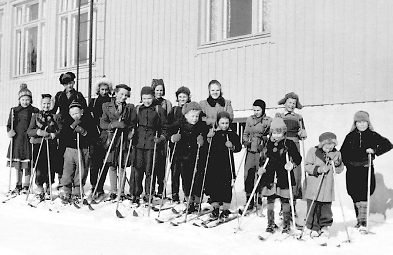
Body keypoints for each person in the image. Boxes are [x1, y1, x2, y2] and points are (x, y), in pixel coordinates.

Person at [340, 111, 392, 229]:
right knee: (353, 192)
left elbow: (388, 144)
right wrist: (347, 163)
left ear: (368, 123)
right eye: (359, 122)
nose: (362, 124)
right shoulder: (350, 136)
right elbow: (343, 152)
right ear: (355, 123)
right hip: (352, 170)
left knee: (364, 193)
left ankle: (363, 222)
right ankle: (359, 220)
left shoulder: (372, 135)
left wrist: (374, 150)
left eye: (364, 122)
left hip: (365, 168)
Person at [258, 116, 302, 234]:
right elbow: (263, 159)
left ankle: (286, 225)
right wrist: (261, 168)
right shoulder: (268, 144)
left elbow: (298, 158)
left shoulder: (289, 143)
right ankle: (270, 224)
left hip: (283, 176)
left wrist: (291, 164)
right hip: (270, 177)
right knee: (270, 199)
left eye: (279, 132)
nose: (277, 135)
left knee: (285, 200)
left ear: (284, 132)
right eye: (274, 133)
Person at [129, 86, 168, 204]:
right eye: (144, 98)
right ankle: (135, 194)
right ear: (141, 98)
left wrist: (161, 138)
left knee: (150, 170)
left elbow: (165, 127)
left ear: (153, 97)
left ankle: (149, 194)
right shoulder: (137, 109)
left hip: (152, 144)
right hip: (138, 144)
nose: (147, 101)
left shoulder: (158, 109)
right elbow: (131, 123)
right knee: (137, 170)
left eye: (149, 98)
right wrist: (131, 132)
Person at [167, 102, 209, 212]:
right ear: (186, 115)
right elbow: (168, 132)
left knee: (198, 179)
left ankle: (197, 202)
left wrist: (203, 139)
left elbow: (207, 135)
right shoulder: (179, 125)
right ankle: (189, 201)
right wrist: (172, 138)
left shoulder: (202, 126)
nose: (195, 119)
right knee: (186, 179)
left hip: (198, 157)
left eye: (197, 116)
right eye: (192, 116)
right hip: (184, 157)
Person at [303, 132, 344, 238]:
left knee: (325, 208)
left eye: (331, 146)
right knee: (313, 207)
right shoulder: (313, 151)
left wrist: (337, 164)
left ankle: (325, 227)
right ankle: (312, 227)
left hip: (327, 186)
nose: (329, 149)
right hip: (314, 186)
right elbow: (307, 166)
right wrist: (319, 169)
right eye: (326, 146)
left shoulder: (336, 154)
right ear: (321, 144)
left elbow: (339, 170)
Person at [100, 84, 135, 201]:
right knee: (112, 166)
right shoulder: (106, 106)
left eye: (126, 95)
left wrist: (130, 130)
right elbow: (102, 123)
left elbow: (132, 123)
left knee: (122, 166)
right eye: (121, 94)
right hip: (112, 139)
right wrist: (112, 125)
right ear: (115, 93)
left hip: (123, 140)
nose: (123, 97)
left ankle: (121, 191)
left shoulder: (130, 108)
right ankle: (113, 191)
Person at [58, 101, 97, 204]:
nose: (75, 115)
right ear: (70, 114)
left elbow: (93, 136)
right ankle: (66, 191)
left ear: (82, 112)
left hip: (83, 149)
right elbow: (63, 135)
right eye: (73, 114)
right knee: (68, 171)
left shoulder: (88, 121)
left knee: (81, 171)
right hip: (70, 149)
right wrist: (71, 127)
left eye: (77, 113)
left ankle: (77, 192)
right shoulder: (67, 122)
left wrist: (84, 132)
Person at [51, 72, 87, 184]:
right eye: (66, 84)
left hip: (74, 125)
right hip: (62, 126)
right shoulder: (59, 95)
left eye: (71, 83)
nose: (69, 86)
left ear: (74, 82)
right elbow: (54, 110)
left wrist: (79, 123)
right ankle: (62, 179)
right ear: (63, 85)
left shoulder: (78, 95)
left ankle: (75, 179)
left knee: (73, 152)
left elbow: (84, 111)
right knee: (61, 152)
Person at [205, 111, 241, 219]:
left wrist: (232, 146)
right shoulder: (213, 134)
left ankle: (225, 209)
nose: (224, 125)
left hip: (227, 165)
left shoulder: (232, 135)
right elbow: (206, 149)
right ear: (218, 122)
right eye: (222, 123)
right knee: (214, 187)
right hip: (214, 165)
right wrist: (208, 139)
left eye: (226, 123)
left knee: (226, 187)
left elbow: (238, 147)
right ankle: (215, 208)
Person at [277, 92, 307, 216]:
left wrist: (303, 133)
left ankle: (293, 205)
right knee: (282, 173)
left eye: (294, 103)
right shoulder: (279, 115)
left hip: (294, 144)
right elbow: (274, 130)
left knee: (295, 174)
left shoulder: (299, 117)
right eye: (289, 102)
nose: (291, 105)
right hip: (282, 145)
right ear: (285, 103)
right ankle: (283, 206)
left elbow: (303, 133)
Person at [6, 84, 39, 194]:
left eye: (27, 100)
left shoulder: (34, 110)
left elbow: (37, 124)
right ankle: (18, 184)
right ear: (19, 100)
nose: (25, 102)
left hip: (28, 140)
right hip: (18, 140)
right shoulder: (14, 111)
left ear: (31, 100)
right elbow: (9, 124)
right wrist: (10, 131)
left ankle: (26, 184)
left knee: (27, 164)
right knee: (18, 164)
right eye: (23, 99)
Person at [27, 94, 60, 201]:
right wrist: (38, 132)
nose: (46, 106)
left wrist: (53, 135)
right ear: (41, 104)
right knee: (40, 168)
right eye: (44, 103)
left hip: (51, 145)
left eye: (48, 103)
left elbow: (59, 130)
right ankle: (40, 188)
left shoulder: (54, 117)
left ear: (52, 104)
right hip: (38, 145)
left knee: (51, 167)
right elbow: (29, 131)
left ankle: (49, 187)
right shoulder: (35, 116)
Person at [242, 99, 272, 210]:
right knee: (248, 173)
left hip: (261, 151)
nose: (256, 112)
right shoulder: (250, 119)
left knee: (260, 174)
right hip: (250, 150)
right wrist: (245, 141)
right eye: (254, 110)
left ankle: (259, 197)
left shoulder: (269, 121)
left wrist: (265, 141)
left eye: (258, 110)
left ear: (263, 109)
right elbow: (245, 133)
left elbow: (271, 136)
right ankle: (248, 198)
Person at [88, 77, 113, 195]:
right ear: (98, 89)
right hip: (94, 134)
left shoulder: (111, 101)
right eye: (102, 89)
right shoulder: (93, 101)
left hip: (106, 135)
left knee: (105, 161)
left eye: (106, 89)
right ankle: (93, 184)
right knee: (94, 161)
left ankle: (100, 186)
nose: (104, 92)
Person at [167, 86, 191, 202]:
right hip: (175, 145)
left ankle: (187, 195)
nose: (182, 99)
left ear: (188, 97)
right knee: (175, 171)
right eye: (180, 97)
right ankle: (175, 194)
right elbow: (168, 126)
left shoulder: (191, 109)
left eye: (184, 97)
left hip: (186, 145)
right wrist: (172, 137)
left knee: (186, 171)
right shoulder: (174, 110)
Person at [151, 79, 172, 198]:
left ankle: (161, 189)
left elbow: (168, 120)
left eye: (161, 90)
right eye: (157, 90)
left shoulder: (166, 103)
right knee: (152, 163)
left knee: (161, 164)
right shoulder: (150, 101)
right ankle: (151, 189)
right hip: (152, 136)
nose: (159, 92)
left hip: (162, 137)